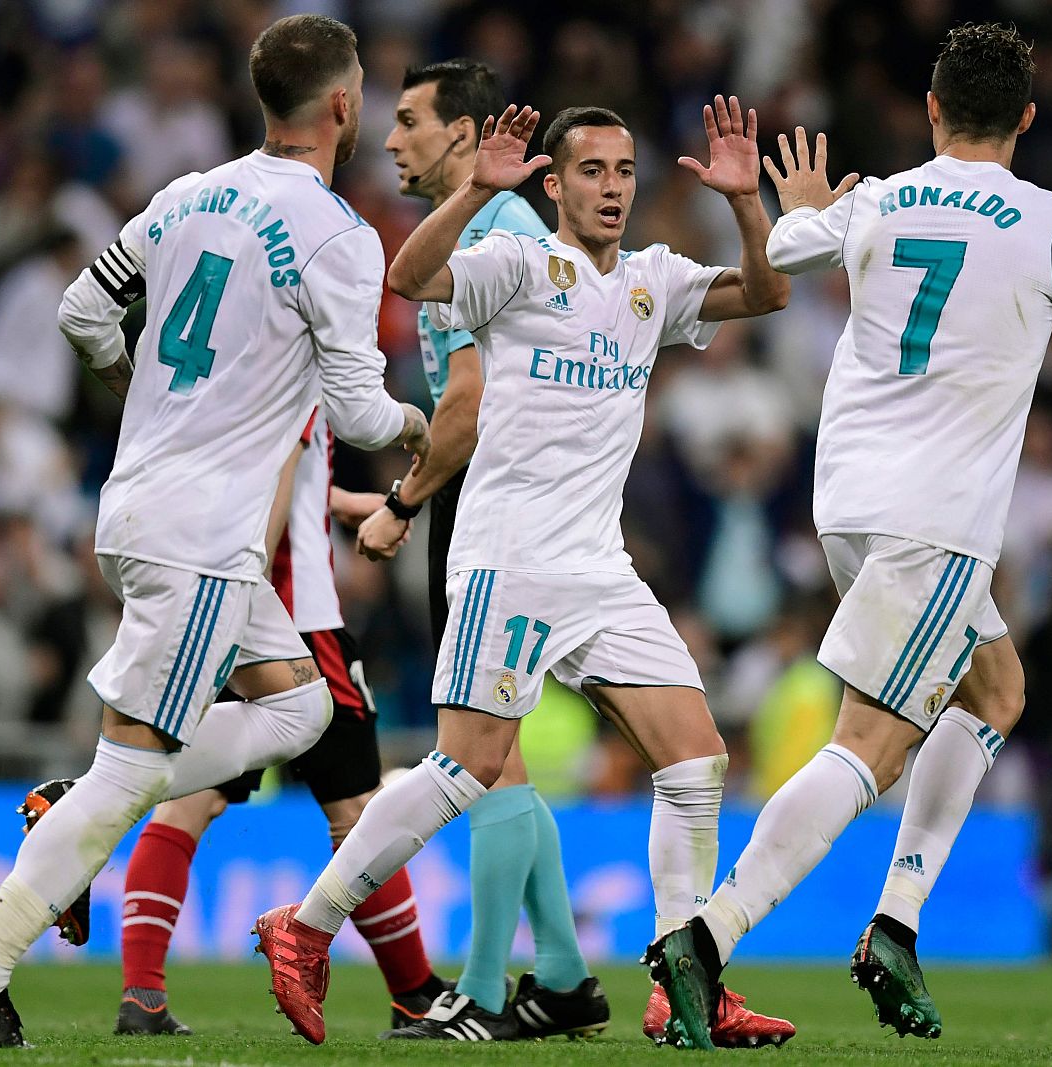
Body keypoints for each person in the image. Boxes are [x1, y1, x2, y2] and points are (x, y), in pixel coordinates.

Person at [648, 23, 1052, 1048]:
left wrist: (785, 204)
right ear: (1029, 120)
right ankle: (708, 931)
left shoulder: (881, 196)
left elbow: (784, 247)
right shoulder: (1049, 221)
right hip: (933, 519)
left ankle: (896, 924)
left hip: (847, 502)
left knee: (995, 687)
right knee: (867, 745)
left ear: (930, 109)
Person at [0, 14, 429, 1048]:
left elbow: (80, 309)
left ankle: (71, 798)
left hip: (153, 505)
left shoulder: (187, 193)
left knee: (301, 713)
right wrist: (427, 425)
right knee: (132, 767)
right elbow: (367, 416)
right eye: (362, 86)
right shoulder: (338, 233)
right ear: (341, 104)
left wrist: (134, 388)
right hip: (200, 532)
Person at [257, 98, 795, 1048]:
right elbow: (410, 275)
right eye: (592, 171)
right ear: (554, 183)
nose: (613, 188)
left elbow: (766, 294)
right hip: (509, 558)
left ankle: (685, 983)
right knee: (467, 769)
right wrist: (474, 189)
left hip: (599, 567)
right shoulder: (518, 265)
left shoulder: (653, 281)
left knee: (698, 761)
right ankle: (303, 927)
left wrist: (749, 204)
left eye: (625, 171)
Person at [357, 58, 604, 1042]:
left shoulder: (480, 239)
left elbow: (468, 405)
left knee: (476, 750)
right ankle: (566, 975)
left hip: (491, 503)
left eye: (410, 120)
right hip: (537, 499)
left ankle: (486, 989)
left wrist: (401, 502)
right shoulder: (516, 233)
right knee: (495, 751)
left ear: (464, 137)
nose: (390, 139)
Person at [109, 409, 447, 1036]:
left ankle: (142, 996)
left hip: (217, 604)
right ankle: (415, 992)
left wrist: (334, 501)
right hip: (295, 624)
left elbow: (267, 468)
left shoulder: (242, 346)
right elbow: (275, 472)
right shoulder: (296, 342)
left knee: (187, 802)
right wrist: (251, 587)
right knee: (358, 813)